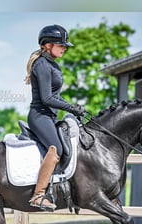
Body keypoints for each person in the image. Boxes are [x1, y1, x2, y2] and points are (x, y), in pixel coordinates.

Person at [24, 24, 85, 211]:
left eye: (65, 45)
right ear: (47, 45)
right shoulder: (42, 64)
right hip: (40, 116)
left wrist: (72, 108)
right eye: (61, 45)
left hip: (49, 116)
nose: (64, 48)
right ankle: (38, 195)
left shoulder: (52, 64)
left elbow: (55, 97)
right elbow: (47, 98)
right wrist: (72, 108)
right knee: (56, 147)